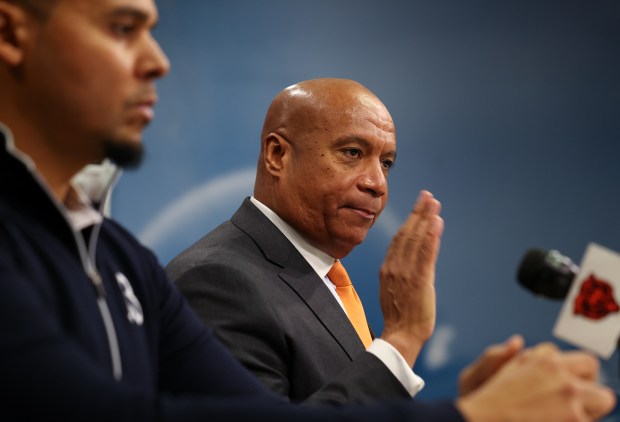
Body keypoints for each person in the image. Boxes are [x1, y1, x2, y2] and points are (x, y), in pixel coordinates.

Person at [0, 0, 614, 421]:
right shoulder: (216, 276)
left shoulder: (121, 259)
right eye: (122, 27)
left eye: (387, 163)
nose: (157, 59)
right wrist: (465, 410)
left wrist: (460, 408)